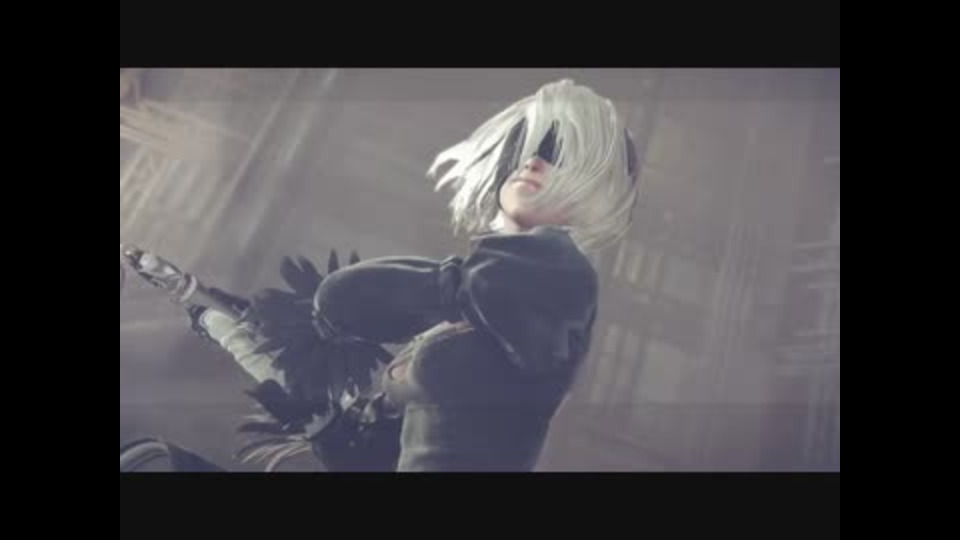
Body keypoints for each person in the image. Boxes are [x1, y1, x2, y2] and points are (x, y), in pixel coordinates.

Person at [194, 79, 642, 472]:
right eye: (528, 148)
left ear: (593, 189)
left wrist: (324, 320)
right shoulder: (474, 312)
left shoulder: (555, 278)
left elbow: (347, 299)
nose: (533, 162)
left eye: (557, 154)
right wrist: (333, 431)